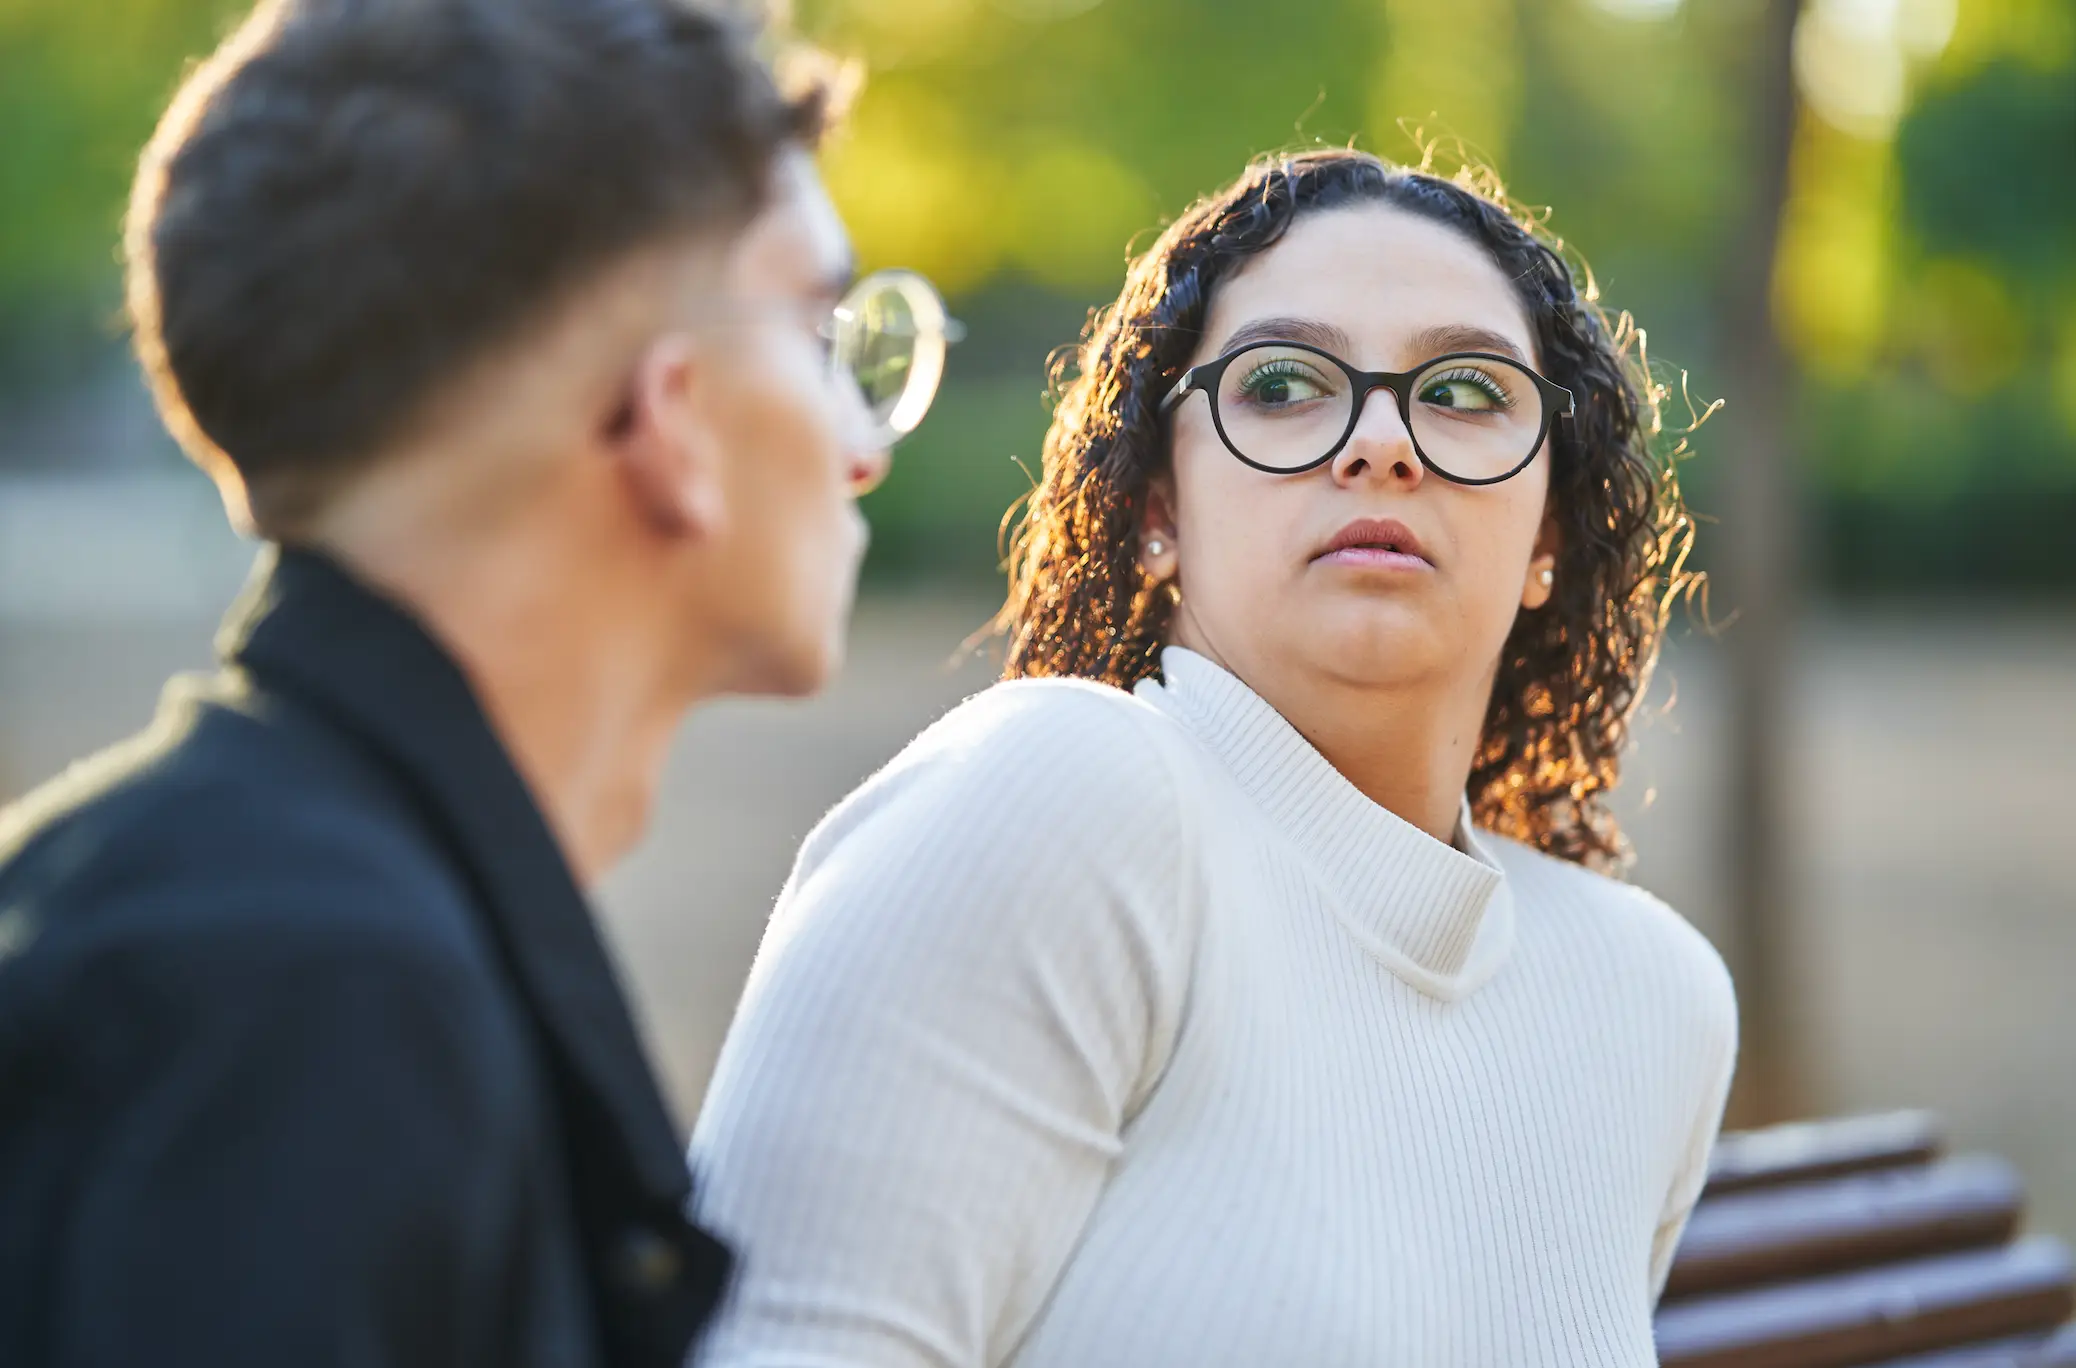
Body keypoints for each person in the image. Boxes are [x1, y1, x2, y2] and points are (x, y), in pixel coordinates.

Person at [0, 1, 957, 1364]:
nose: (862, 444)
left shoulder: (229, 914)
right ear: (668, 420)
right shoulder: (315, 1004)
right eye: (823, 328)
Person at [690, 148, 1738, 1366]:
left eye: (1463, 392)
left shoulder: (1651, 996)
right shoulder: (1069, 801)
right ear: (1157, 512)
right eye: (1285, 381)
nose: (1383, 444)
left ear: (1550, 528)